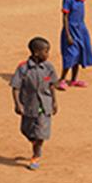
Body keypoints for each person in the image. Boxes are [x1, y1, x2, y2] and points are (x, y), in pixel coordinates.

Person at [10, 36, 58, 171]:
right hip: (29, 105)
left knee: (41, 132)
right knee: (26, 130)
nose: (48, 54)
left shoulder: (48, 67)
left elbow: (52, 85)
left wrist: (54, 102)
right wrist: (18, 104)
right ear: (36, 53)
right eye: (46, 51)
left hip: (45, 105)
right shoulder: (23, 68)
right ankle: (34, 142)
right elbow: (15, 87)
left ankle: (36, 155)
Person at [57, 0, 92, 90]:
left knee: (79, 54)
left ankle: (74, 79)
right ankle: (62, 79)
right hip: (71, 30)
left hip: (81, 29)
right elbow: (65, 17)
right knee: (70, 54)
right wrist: (68, 34)